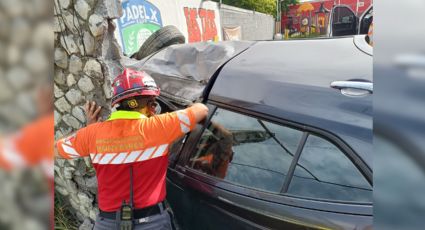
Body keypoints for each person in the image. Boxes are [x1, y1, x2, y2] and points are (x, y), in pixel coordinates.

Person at [55, 68, 208, 230]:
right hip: (152, 223)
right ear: (151, 105)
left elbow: (54, 150)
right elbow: (202, 110)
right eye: (154, 103)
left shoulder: (91, 134)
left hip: (108, 224)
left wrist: (88, 133)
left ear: (118, 104)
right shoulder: (160, 127)